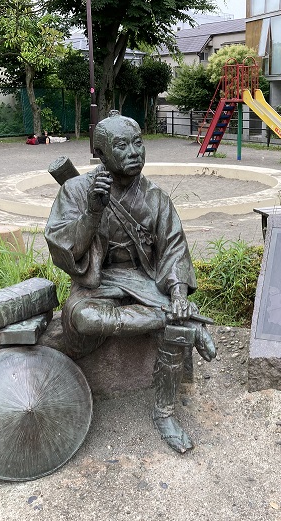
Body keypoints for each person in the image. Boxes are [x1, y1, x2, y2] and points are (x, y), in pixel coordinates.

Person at [45, 111, 216, 453]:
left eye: (138, 143)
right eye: (122, 146)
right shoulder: (76, 191)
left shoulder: (156, 198)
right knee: (84, 318)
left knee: (176, 322)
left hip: (145, 282)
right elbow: (64, 251)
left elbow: (174, 250)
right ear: (100, 153)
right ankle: (177, 319)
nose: (134, 152)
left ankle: (165, 413)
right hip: (98, 284)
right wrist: (92, 213)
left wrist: (178, 293)